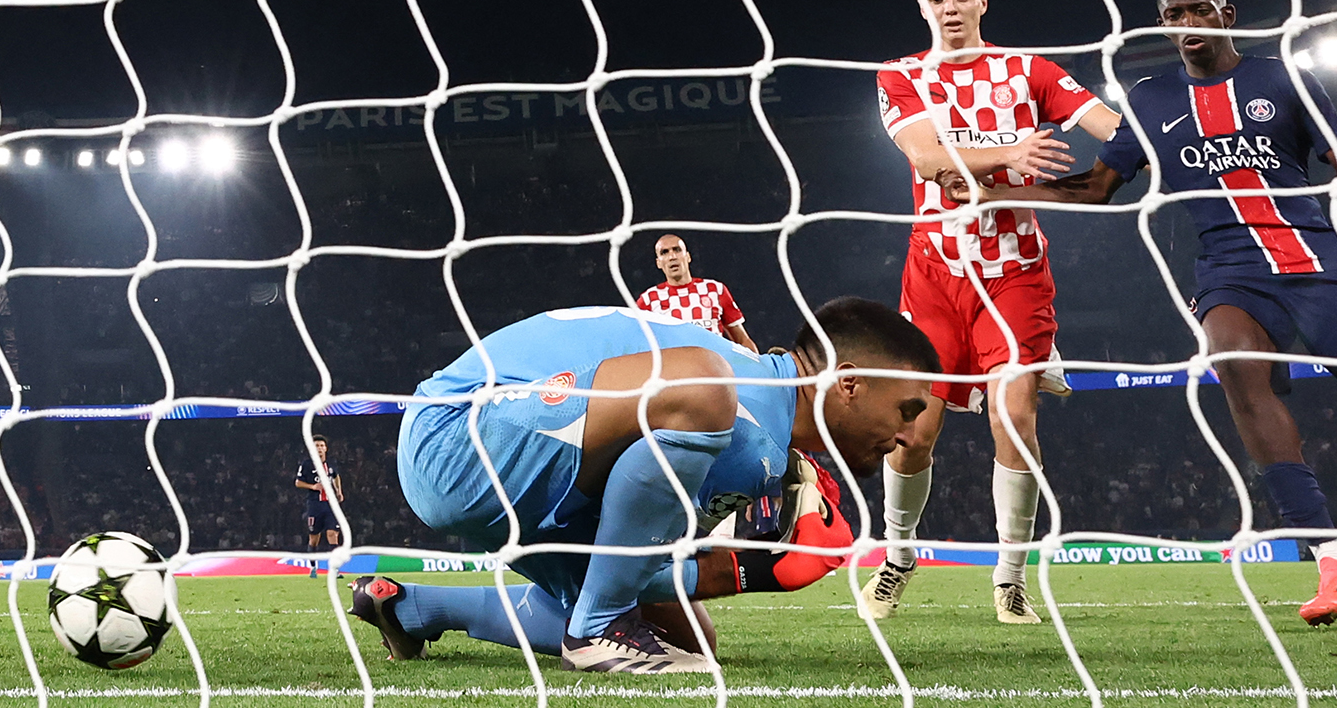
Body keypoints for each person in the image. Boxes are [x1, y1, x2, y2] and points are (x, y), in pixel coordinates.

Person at [952, 0, 1337, 631]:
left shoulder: (1283, 80)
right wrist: (999, 193)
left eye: (1200, 11)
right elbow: (1094, 188)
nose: (1188, 25)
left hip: (1319, 265)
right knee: (1232, 362)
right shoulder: (1150, 98)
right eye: (1175, 16)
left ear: (1228, 15)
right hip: (1231, 272)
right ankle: (1334, 564)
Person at [349, 299, 934, 673]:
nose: (911, 437)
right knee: (704, 389)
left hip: (516, 467)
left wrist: (747, 572)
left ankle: (412, 607)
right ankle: (596, 628)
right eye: (907, 410)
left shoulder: (758, 419)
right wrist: (748, 565)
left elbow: (636, 560)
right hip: (457, 440)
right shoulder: (741, 407)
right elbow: (641, 549)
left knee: (690, 642)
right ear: (849, 383)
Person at [864, 0, 1121, 626]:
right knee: (912, 433)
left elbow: (1111, 129)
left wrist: (1101, 172)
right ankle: (896, 559)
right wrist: (1008, 155)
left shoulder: (1028, 71)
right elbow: (924, 156)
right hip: (935, 273)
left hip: (1015, 274)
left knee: (1016, 419)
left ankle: (1010, 580)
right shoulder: (901, 75)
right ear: (923, 6)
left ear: (983, 0)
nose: (947, 7)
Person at [635, 235, 757, 353]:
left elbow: (741, 339)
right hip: (675, 371)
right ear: (659, 263)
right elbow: (634, 344)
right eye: (664, 252)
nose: (672, 256)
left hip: (716, 369)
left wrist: (762, 368)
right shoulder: (648, 300)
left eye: (677, 250)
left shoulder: (715, 289)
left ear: (688, 257)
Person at [296, 434, 344, 578]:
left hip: (330, 505)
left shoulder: (331, 464)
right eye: (317, 446)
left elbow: (336, 476)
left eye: (322, 446)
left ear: (326, 448)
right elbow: (298, 482)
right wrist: (313, 486)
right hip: (314, 505)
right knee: (314, 538)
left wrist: (339, 491)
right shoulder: (306, 464)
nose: (320, 448)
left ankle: (335, 570)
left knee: (332, 534)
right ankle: (312, 568)